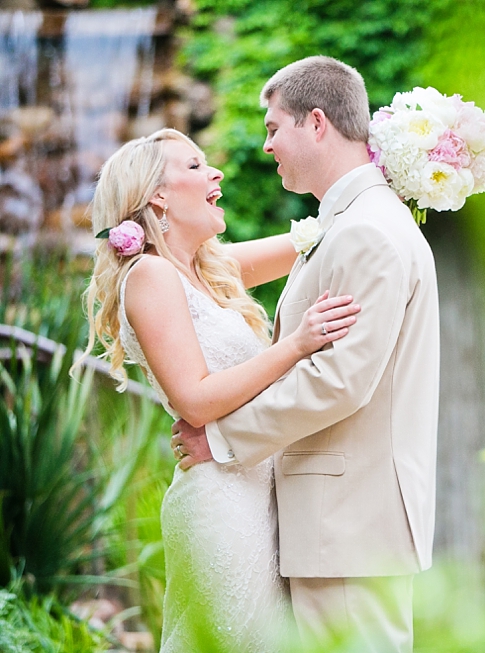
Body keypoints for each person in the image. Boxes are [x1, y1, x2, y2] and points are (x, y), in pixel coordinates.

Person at [171, 56, 441, 652]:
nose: (267, 145)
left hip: (349, 523)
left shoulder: (366, 231)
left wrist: (220, 440)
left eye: (273, 128)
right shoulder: (350, 223)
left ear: (316, 123)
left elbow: (338, 381)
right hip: (335, 524)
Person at [74, 127, 361, 652]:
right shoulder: (150, 275)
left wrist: (390, 178)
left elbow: (316, 238)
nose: (216, 174)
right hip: (222, 506)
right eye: (195, 166)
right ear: (157, 195)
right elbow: (196, 399)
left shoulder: (209, 270)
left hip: (257, 491)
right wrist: (296, 344)